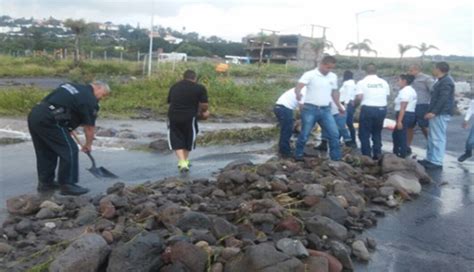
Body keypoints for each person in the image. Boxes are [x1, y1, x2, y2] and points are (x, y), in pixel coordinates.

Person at [28, 81, 110, 195]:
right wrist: (88, 145)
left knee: (46, 152)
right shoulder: (89, 99)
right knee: (70, 150)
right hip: (51, 120)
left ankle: (46, 183)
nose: (101, 98)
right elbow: (89, 128)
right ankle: (67, 185)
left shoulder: (73, 86)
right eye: (103, 94)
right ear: (98, 87)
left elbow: (65, 103)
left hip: (36, 114)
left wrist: (67, 126)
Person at [294, 55, 343, 161]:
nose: (329, 70)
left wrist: (339, 106)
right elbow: (299, 87)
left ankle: (336, 158)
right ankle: (298, 155)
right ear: (321, 64)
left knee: (334, 133)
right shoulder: (310, 74)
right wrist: (298, 94)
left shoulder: (333, 76)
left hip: (326, 110)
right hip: (310, 109)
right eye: (327, 67)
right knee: (305, 134)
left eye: (331, 68)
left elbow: (334, 92)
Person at [167, 70, 209, 172]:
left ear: (184, 77)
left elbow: (170, 102)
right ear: (195, 78)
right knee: (189, 139)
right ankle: (183, 161)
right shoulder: (199, 88)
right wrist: (204, 113)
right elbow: (204, 105)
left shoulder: (174, 86)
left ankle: (183, 162)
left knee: (176, 138)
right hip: (189, 117)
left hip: (173, 116)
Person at [418, 62, 455, 169]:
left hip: (441, 113)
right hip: (438, 112)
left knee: (438, 137)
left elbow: (443, 98)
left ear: (439, 69)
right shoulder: (441, 80)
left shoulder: (446, 81)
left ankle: (436, 161)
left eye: (434, 68)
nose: (433, 70)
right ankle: (430, 158)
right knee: (432, 136)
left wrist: (434, 112)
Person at [355, 63, 390, 160]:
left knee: (364, 133)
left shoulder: (362, 82)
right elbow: (386, 96)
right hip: (382, 109)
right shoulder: (384, 82)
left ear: (366, 71)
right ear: (376, 71)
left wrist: (354, 105)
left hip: (368, 109)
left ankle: (366, 156)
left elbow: (359, 97)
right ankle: (377, 154)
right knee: (377, 132)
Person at [407, 64, 435, 154]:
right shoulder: (410, 79)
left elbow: (434, 91)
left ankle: (431, 144)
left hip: (422, 104)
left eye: (411, 70)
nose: (409, 72)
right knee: (410, 126)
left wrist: (432, 106)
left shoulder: (427, 79)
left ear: (416, 69)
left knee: (424, 126)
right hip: (412, 105)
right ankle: (407, 146)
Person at [274, 87, 307, 158]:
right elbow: (302, 106)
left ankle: (284, 149)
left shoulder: (304, 89)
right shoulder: (305, 90)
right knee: (287, 131)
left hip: (281, 107)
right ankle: (285, 152)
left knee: (286, 130)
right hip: (284, 108)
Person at [392, 74, 417, 158]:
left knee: (400, 135)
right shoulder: (411, 90)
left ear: (404, 81)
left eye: (399, 80)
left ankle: (401, 154)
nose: (398, 82)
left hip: (404, 114)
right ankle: (400, 151)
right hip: (410, 114)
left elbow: (403, 106)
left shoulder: (405, 91)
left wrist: (399, 121)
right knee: (398, 134)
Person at [341, 70, 358, 146]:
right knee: (348, 123)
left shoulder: (347, 84)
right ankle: (352, 140)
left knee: (342, 123)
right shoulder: (353, 83)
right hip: (350, 105)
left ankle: (349, 140)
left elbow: (347, 95)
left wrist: (344, 106)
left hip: (346, 104)